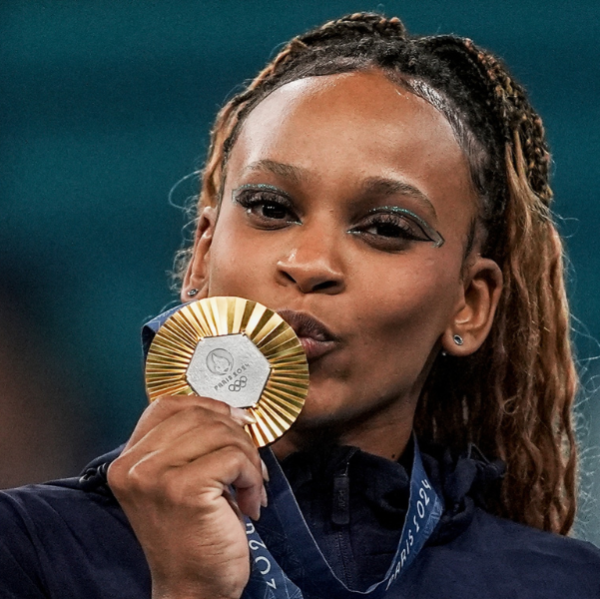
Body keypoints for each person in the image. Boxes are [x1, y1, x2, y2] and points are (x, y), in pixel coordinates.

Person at [1, 12, 599, 599]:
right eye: (270, 207)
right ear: (203, 256)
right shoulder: (26, 551)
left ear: (468, 304)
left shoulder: (565, 584)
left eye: (385, 226)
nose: (310, 262)